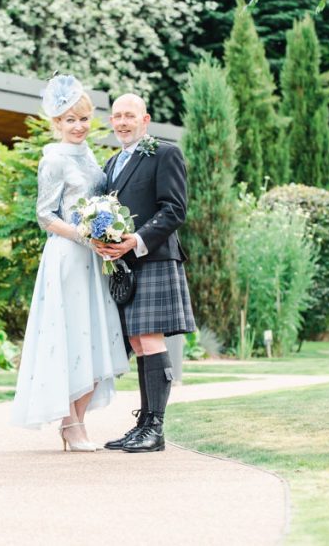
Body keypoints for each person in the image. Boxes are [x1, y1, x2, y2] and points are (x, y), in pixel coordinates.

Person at [10, 75, 129, 452]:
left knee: (95, 335)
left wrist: (107, 232)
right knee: (73, 333)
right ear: (56, 123)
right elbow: (45, 215)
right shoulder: (54, 159)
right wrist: (84, 236)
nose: (77, 126)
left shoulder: (90, 155)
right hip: (69, 256)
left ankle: (76, 422)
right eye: (69, 120)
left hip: (95, 258)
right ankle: (71, 424)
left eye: (82, 119)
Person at [97, 93, 196, 453]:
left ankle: (156, 428)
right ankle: (142, 425)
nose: (122, 122)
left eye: (130, 116)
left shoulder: (164, 154)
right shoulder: (110, 164)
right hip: (124, 266)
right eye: (117, 116)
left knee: (150, 340)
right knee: (139, 343)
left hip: (153, 258)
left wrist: (135, 240)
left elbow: (174, 209)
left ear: (145, 119)